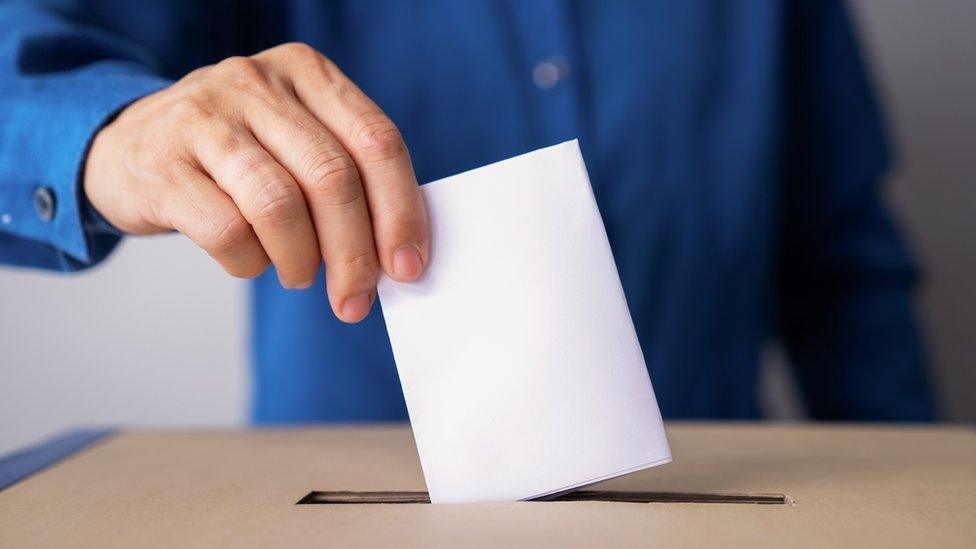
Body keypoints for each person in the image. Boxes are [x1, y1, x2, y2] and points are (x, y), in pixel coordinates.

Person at [0, 0, 932, 422]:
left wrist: (914, 492)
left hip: (717, 499)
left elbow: (845, 265)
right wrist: (111, 132)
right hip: (335, 502)